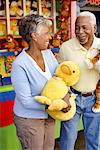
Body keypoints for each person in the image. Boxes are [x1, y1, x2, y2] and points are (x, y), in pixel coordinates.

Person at [11, 14, 58, 150]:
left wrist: (65, 97)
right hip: (29, 120)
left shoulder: (49, 54)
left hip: (49, 116)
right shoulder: (20, 64)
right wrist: (53, 106)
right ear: (34, 36)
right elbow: (25, 100)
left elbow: (58, 79)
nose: (50, 36)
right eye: (46, 33)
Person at [58, 11, 100, 150]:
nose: (80, 31)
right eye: (77, 27)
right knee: (67, 141)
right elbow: (59, 76)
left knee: (94, 140)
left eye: (84, 27)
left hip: (95, 100)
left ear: (94, 29)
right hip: (72, 98)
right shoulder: (66, 47)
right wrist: (65, 95)